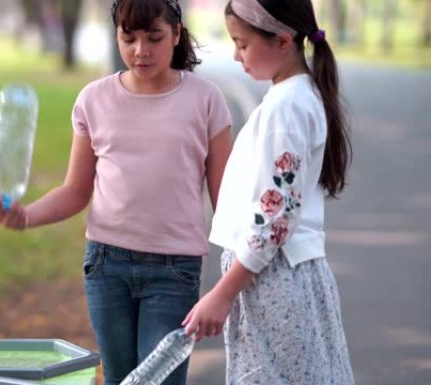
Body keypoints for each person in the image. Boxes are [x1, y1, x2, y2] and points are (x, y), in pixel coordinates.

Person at [0, 1, 233, 384]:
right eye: (129, 38)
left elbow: (226, 202)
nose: (141, 50)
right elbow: (75, 191)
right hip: (107, 266)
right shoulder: (94, 99)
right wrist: (26, 216)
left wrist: (235, 280)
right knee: (120, 379)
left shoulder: (206, 100)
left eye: (154, 37)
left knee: (160, 380)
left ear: (176, 34)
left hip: (174, 271)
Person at [182, 0, 355, 383]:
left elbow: (274, 220)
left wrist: (222, 294)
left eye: (242, 44)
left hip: (275, 282)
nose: (236, 54)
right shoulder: (296, 96)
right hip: (280, 277)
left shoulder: (287, 108)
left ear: (281, 41)